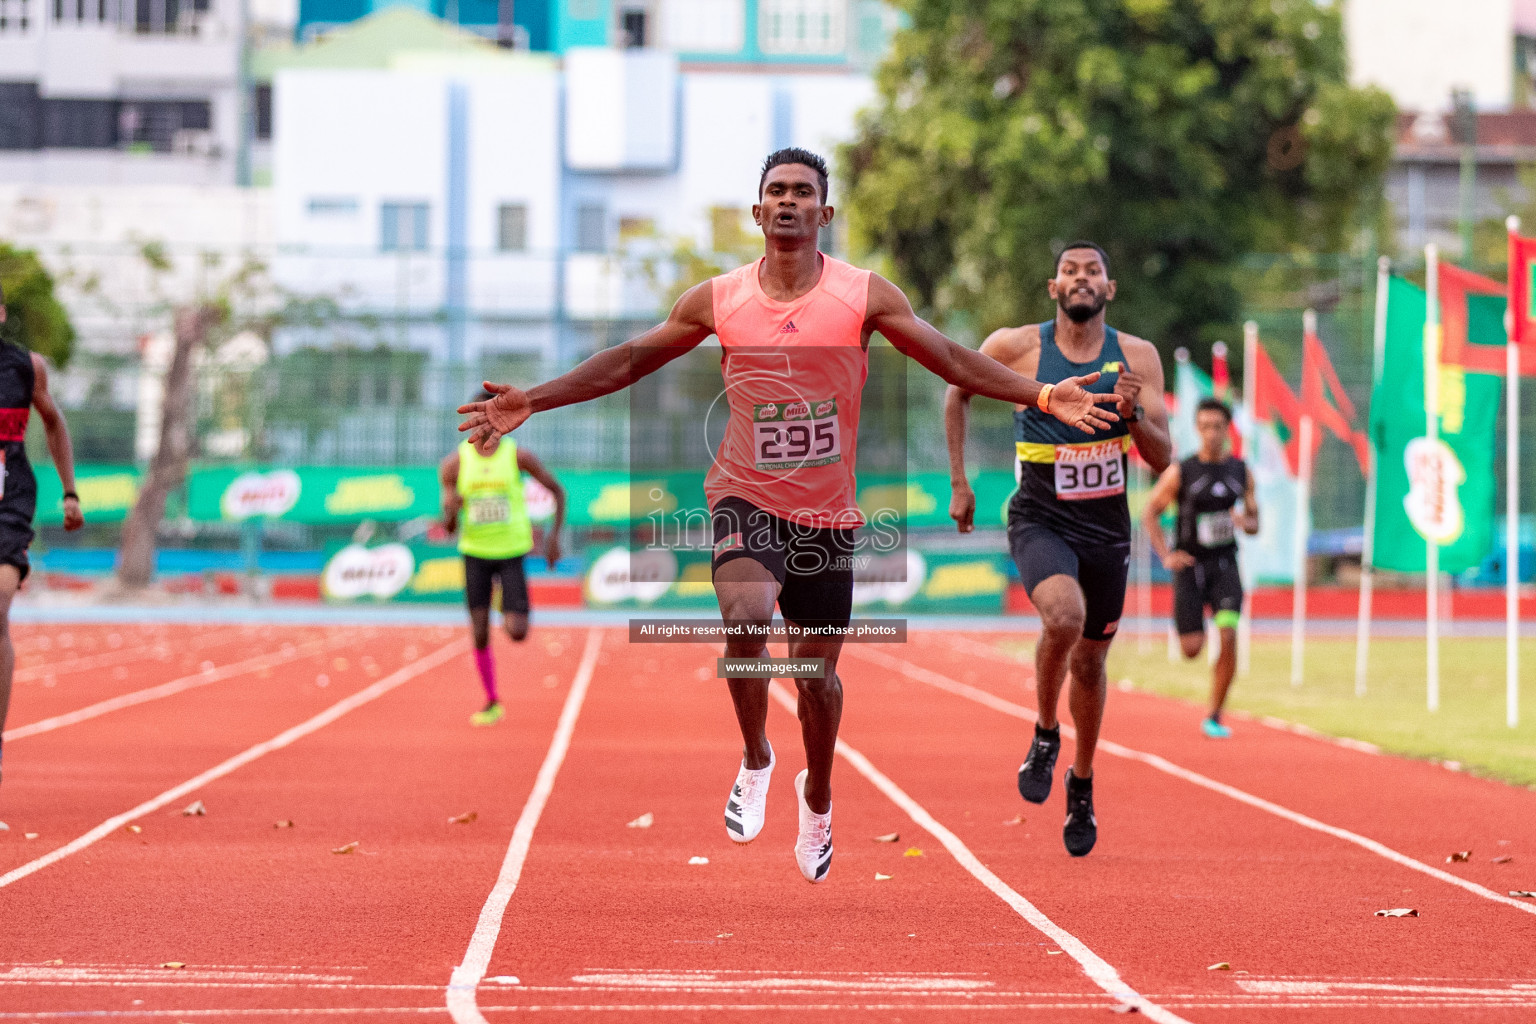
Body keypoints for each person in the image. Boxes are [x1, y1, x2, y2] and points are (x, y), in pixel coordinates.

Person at [459, 148, 1120, 883]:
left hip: (827, 516)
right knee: (744, 615)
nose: (788, 201)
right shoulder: (718, 299)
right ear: (757, 210)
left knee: (815, 678)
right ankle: (754, 757)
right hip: (745, 497)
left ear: (824, 214)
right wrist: (535, 399)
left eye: (804, 192)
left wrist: (1037, 394)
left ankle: (819, 794)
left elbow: (950, 360)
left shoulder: (864, 296)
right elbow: (626, 361)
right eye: (776, 190)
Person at [946, 243, 1171, 857]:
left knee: (1093, 663)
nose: (1081, 279)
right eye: (1070, 271)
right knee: (1063, 617)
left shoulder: (1138, 357)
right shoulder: (1016, 346)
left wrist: (1134, 413)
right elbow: (957, 388)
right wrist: (960, 482)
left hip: (1107, 529)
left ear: (1109, 286)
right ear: (1054, 287)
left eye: (1092, 271)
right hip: (1039, 516)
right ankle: (1046, 732)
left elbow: (1162, 456)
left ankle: (1082, 781)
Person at [0, 282, 85, 790]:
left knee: (0, 602)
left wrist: (70, 492)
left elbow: (54, 423)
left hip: (8, 504)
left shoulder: (25, 367)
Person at [439, 399, 565, 727]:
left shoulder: (517, 456)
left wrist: (553, 538)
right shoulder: (453, 465)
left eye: (492, 418)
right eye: (480, 419)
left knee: (517, 632)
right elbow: (449, 528)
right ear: (469, 422)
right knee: (479, 632)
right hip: (475, 552)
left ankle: (503, 599)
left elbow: (558, 492)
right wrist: (452, 509)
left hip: (511, 551)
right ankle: (491, 700)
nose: (487, 425)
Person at [1140, 396, 1258, 739]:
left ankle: (1215, 714)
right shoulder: (1182, 471)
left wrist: (1244, 521)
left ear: (1227, 429)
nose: (1210, 433)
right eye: (1204, 426)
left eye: (1217, 426)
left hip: (1224, 565)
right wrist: (1166, 554)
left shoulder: (1240, 471)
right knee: (1192, 649)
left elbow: (1255, 522)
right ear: (1197, 429)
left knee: (1229, 634)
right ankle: (1192, 627)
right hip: (1189, 566)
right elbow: (1150, 512)